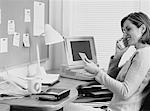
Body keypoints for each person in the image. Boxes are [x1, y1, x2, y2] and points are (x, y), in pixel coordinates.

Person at [64, 12, 150, 111]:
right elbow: (111, 77)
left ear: (142, 29)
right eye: (123, 31)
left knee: (65, 107)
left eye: (128, 29)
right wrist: (118, 56)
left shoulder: (143, 55)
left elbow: (125, 92)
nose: (124, 35)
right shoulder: (139, 53)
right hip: (112, 108)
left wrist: (97, 72)